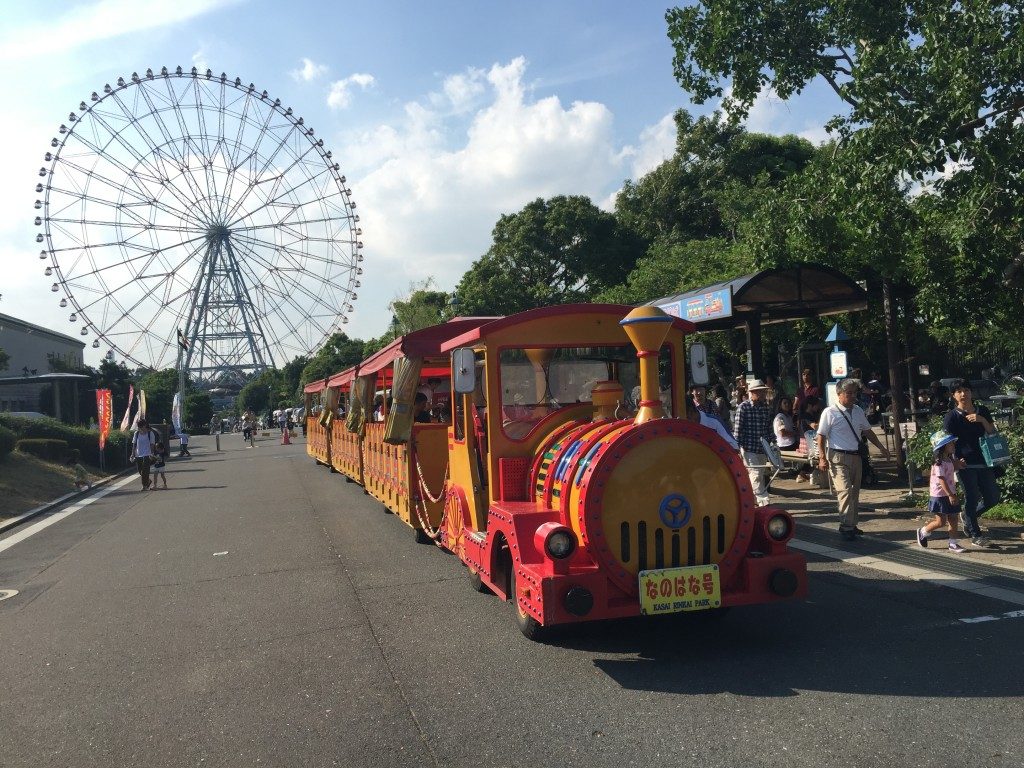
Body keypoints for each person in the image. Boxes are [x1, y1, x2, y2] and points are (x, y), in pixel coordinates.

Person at [815, 378, 891, 541]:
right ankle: (846, 525)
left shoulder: (857, 410)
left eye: (854, 393)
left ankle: (852, 524)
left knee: (855, 492)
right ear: (839, 394)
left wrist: (881, 448)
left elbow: (868, 431)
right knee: (845, 491)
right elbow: (820, 436)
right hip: (837, 456)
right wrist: (822, 458)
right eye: (849, 393)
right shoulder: (830, 412)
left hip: (856, 456)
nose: (852, 396)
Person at [942, 379, 999, 548]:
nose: (963, 394)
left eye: (966, 390)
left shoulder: (983, 411)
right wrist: (953, 462)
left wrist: (982, 420)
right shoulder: (951, 417)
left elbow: (992, 432)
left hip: (985, 460)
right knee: (972, 497)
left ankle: (968, 517)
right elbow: (946, 442)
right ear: (953, 396)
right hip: (965, 464)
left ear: (971, 392)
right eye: (958, 391)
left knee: (993, 497)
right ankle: (976, 535)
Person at [916, 431, 965, 552]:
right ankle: (924, 531)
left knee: (953, 518)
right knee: (941, 521)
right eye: (950, 443)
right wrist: (950, 495)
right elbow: (942, 480)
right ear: (943, 447)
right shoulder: (938, 463)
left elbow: (956, 467)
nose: (953, 445)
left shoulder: (949, 459)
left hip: (950, 493)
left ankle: (953, 543)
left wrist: (961, 464)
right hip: (940, 495)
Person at [733, 379, 774, 506]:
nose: (762, 395)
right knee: (755, 473)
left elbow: (768, 428)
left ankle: (749, 501)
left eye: (763, 392)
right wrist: (737, 449)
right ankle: (763, 501)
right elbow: (738, 430)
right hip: (748, 447)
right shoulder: (743, 407)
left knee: (759, 475)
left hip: (762, 448)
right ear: (752, 392)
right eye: (760, 392)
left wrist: (773, 443)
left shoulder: (766, 408)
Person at [131, 418, 159, 491]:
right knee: (140, 471)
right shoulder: (136, 433)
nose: (140, 428)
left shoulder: (150, 433)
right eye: (139, 427)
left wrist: (152, 453)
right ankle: (148, 481)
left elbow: (152, 444)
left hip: (147, 454)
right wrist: (132, 454)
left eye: (141, 426)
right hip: (138, 454)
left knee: (145, 470)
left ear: (145, 425)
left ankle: (144, 486)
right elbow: (134, 444)